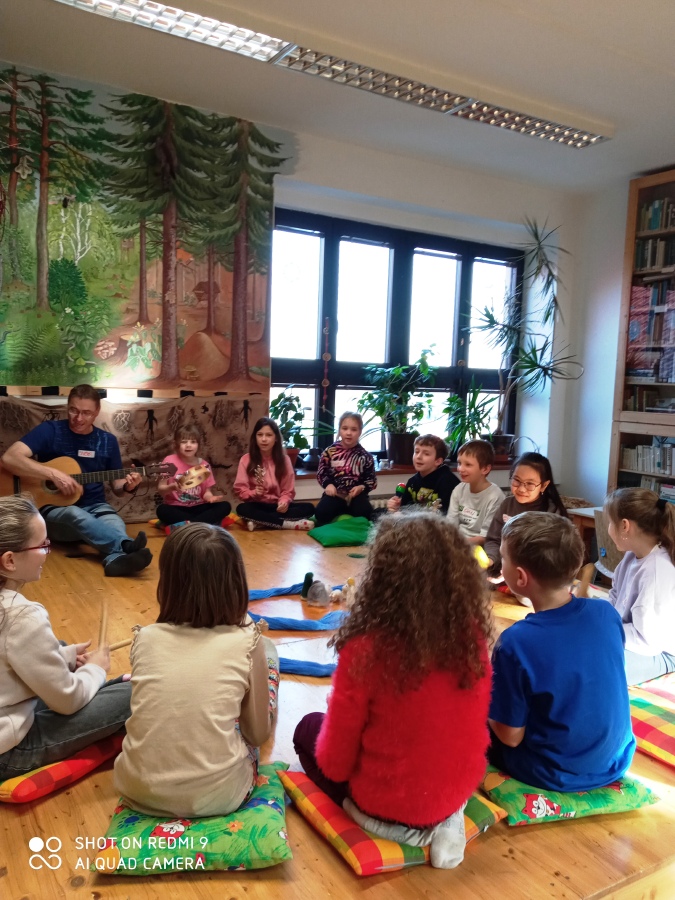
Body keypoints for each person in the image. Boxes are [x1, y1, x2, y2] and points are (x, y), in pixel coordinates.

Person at [293, 512, 493, 869]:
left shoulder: (367, 649)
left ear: (381, 577)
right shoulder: (471, 639)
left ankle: (406, 829)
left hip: (383, 808)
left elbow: (335, 764)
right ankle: (447, 819)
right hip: (455, 790)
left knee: (307, 727)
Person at [113, 523, 276, 817]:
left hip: (136, 788)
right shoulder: (248, 641)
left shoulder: (145, 637)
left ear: (167, 582)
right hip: (219, 796)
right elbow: (256, 734)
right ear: (236, 581)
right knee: (270, 656)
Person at [489, 512, 635, 792]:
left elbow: (510, 737)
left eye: (503, 557)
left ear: (520, 577)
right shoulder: (606, 613)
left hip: (552, 770)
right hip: (615, 761)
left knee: (467, 719)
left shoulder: (516, 642)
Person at [0, 495, 131, 779]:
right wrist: (96, 669)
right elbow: (67, 701)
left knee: (58, 648)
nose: (47, 552)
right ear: (10, 560)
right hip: (8, 751)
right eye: (42, 545)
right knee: (137, 692)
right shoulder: (20, 615)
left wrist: (66, 656)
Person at [1, 384, 151, 578]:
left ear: (97, 412)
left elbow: (117, 487)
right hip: (54, 512)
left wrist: (128, 485)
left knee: (114, 522)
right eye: (73, 410)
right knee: (75, 513)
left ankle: (115, 559)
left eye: (86, 413)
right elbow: (9, 458)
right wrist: (52, 474)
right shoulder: (50, 430)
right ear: (67, 407)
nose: (78, 418)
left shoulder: (107, 441)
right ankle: (126, 545)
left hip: (96, 507)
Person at [604, 488, 675, 685]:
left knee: (599, 668)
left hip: (661, 651)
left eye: (610, 522)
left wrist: (605, 630)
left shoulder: (656, 570)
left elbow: (648, 641)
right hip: (634, 637)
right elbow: (615, 596)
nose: (609, 528)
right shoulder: (632, 556)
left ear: (624, 526)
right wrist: (598, 619)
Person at [483, 451, 567, 584]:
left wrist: (517, 571)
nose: (521, 489)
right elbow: (494, 540)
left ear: (544, 485)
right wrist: (490, 559)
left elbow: (548, 555)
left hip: (538, 575)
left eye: (530, 484)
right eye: (516, 480)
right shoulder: (507, 504)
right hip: (504, 570)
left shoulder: (551, 512)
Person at [234, 417, 315, 531]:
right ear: (255, 437)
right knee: (242, 509)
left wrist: (284, 502)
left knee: (309, 508)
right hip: (257, 505)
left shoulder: (284, 460)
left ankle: (261, 522)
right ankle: (287, 524)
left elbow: (288, 490)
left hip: (277, 506)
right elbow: (240, 490)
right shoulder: (246, 459)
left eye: (269, 435)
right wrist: (254, 493)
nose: (264, 439)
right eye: (260, 435)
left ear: (276, 438)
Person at [156, 423, 231, 527]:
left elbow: (207, 492)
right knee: (162, 510)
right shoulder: (169, 461)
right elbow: (161, 489)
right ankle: (201, 524)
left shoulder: (204, 465)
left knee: (225, 506)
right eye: (184, 442)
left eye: (193, 442)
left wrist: (210, 498)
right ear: (176, 444)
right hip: (177, 507)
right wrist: (172, 487)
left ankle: (188, 525)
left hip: (199, 507)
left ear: (198, 445)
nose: (188, 445)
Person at [315, 412, 377, 527]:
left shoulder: (366, 456)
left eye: (354, 429)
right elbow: (321, 473)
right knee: (321, 514)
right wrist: (328, 484)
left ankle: (350, 511)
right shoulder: (329, 452)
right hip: (336, 495)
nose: (349, 433)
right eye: (344, 428)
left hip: (356, 497)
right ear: (339, 430)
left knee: (366, 513)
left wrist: (361, 487)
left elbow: (371, 480)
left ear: (360, 432)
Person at [447, 440, 504, 543]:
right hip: (457, 542)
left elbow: (486, 537)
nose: (460, 469)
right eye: (459, 463)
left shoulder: (495, 496)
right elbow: (451, 525)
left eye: (468, 465)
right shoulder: (459, 489)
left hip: (479, 545)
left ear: (485, 469)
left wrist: (458, 544)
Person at [386, 434, 458, 515]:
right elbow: (404, 510)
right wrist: (396, 507)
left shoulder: (448, 482)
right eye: (416, 452)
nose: (419, 457)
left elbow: (447, 515)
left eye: (426, 454)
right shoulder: (412, 482)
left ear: (438, 461)